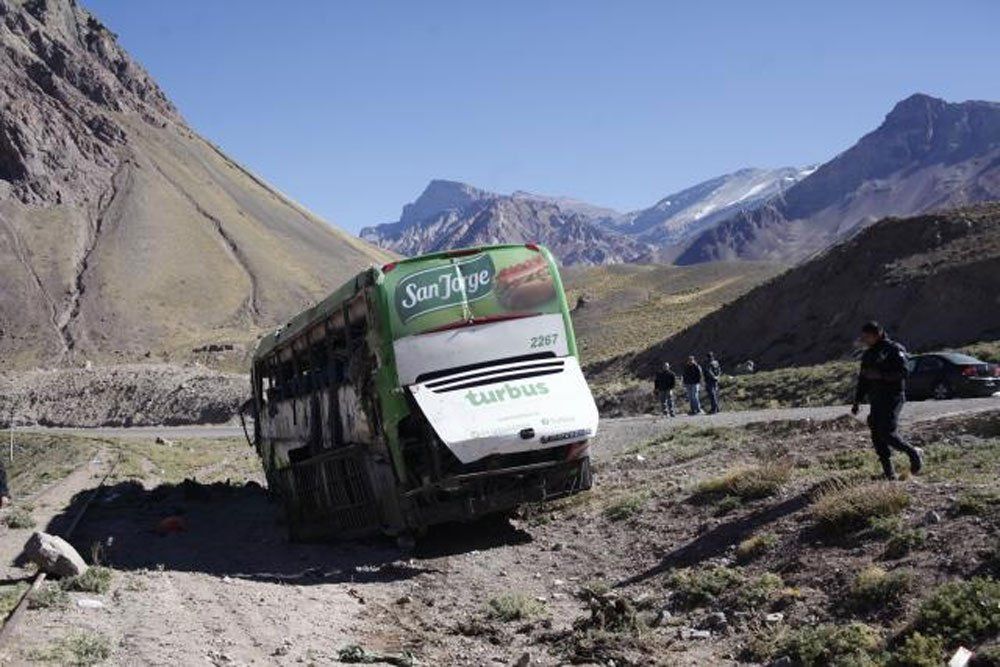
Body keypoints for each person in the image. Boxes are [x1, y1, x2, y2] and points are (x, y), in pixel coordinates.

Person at [851, 321, 924, 480]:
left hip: (893, 397)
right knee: (876, 433)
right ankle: (889, 473)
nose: (864, 340)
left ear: (877, 334)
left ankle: (913, 453)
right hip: (876, 399)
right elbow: (863, 379)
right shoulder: (868, 354)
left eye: (867, 337)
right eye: (863, 337)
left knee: (887, 432)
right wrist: (857, 401)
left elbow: (904, 372)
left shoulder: (894, 349)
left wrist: (881, 375)